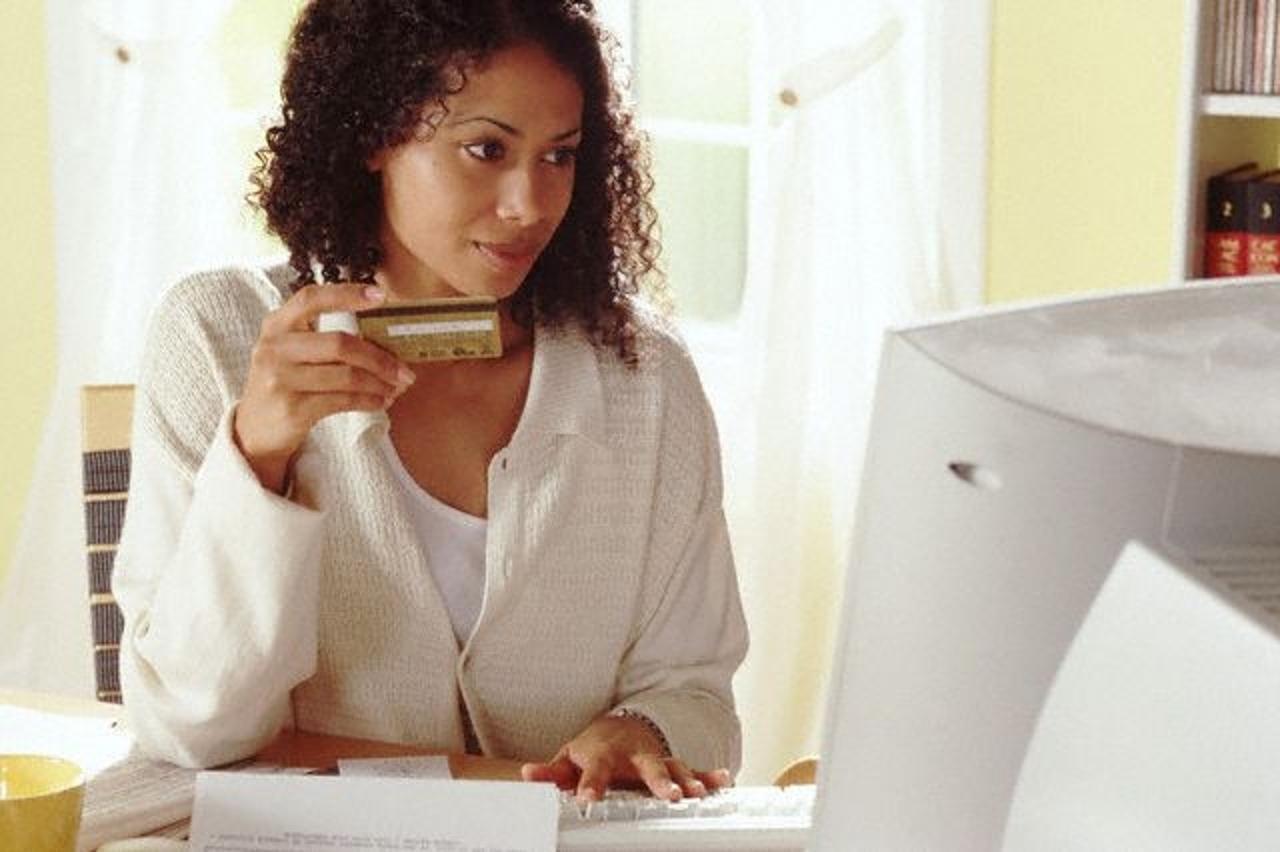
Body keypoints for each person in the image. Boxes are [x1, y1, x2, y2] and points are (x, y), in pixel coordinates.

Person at [112, 0, 748, 803]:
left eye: (560, 156)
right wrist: (259, 456)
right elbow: (190, 730)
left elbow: (696, 691)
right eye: (486, 149)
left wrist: (643, 730)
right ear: (375, 134)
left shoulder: (645, 378)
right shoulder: (217, 337)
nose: (529, 203)